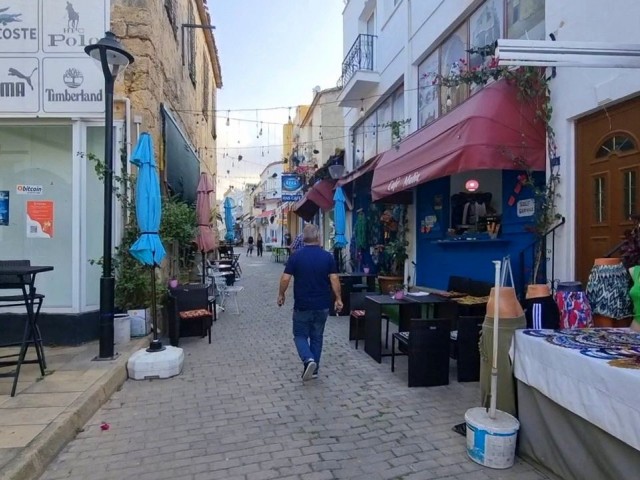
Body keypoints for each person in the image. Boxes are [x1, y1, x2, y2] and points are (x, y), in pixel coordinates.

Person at [277, 224, 343, 381]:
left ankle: (308, 359)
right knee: (317, 336)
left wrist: (281, 294)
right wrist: (338, 298)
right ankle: (314, 370)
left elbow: (286, 278)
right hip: (322, 305)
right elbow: (334, 278)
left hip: (302, 305)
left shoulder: (296, 256)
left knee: (299, 335)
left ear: (303, 239)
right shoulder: (327, 257)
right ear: (318, 237)